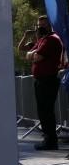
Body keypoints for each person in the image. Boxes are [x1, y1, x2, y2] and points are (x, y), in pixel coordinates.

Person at [19, 15, 65, 150]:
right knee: (43, 111)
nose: (41, 28)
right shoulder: (42, 40)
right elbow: (23, 51)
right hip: (41, 80)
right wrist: (29, 45)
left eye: (44, 25)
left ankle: (50, 141)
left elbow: (37, 57)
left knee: (46, 111)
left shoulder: (51, 39)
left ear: (50, 25)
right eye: (39, 26)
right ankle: (48, 139)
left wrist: (32, 54)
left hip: (48, 79)